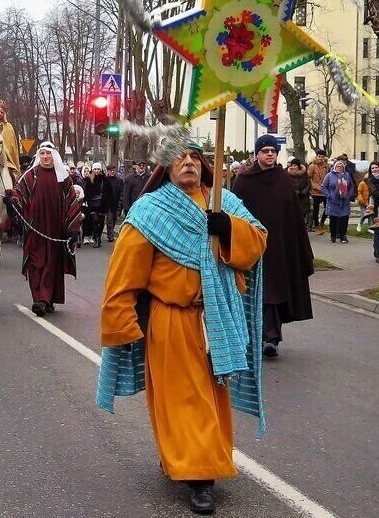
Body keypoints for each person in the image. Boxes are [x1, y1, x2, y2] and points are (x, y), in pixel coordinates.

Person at [97, 139, 267, 516]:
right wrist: (122, 324)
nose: (187, 163)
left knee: (211, 397)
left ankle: (192, 458)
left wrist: (229, 229)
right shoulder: (149, 211)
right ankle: (199, 477)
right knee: (184, 398)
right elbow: (124, 275)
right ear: (165, 167)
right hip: (171, 319)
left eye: (193, 157)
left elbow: (257, 241)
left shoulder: (224, 202)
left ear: (203, 164)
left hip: (218, 316)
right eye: (179, 158)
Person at [233, 134, 314, 358]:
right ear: (257, 154)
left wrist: (298, 246)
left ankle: (272, 338)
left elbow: (293, 216)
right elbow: (236, 214)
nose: (270, 154)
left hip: (279, 246)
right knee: (255, 292)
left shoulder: (283, 179)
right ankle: (256, 336)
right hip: (252, 246)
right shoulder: (244, 181)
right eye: (265, 150)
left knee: (275, 292)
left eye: (273, 151)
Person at [9, 141, 81, 317]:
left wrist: (73, 228)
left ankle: (45, 300)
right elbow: (19, 194)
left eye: (48, 154)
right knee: (35, 263)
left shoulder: (64, 178)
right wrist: (12, 200)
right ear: (38, 156)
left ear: (53, 156)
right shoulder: (31, 176)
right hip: (35, 229)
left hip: (55, 230)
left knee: (50, 265)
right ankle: (39, 299)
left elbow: (71, 202)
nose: (45, 157)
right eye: (42, 154)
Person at [321, 160, 353, 243]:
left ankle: (343, 236)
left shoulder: (347, 175)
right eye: (338, 166)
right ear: (335, 167)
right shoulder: (329, 175)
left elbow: (351, 186)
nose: (340, 168)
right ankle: (333, 235)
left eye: (342, 167)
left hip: (344, 201)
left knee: (344, 218)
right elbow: (324, 187)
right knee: (333, 219)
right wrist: (329, 195)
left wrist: (349, 195)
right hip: (333, 200)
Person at [83, 162, 114, 248]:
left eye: (98, 169)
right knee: (95, 220)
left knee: (100, 222)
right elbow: (87, 192)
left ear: (100, 170)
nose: (96, 171)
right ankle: (97, 239)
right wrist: (86, 201)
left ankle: (98, 237)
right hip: (92, 204)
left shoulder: (105, 180)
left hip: (102, 204)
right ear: (92, 170)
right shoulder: (89, 180)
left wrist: (110, 205)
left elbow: (110, 193)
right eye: (95, 169)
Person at [307, 149, 329, 234]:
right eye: (319, 156)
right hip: (316, 191)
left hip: (325, 190)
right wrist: (314, 186)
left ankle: (322, 223)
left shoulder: (327, 166)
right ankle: (316, 226)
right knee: (316, 210)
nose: (320, 158)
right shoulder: (312, 166)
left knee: (327, 209)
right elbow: (309, 178)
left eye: (322, 156)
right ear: (316, 156)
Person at [286, 158, 311, 226]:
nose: (293, 167)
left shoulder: (304, 173)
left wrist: (304, 191)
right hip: (293, 197)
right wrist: (296, 192)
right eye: (292, 165)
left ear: (298, 166)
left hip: (304, 197)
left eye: (295, 165)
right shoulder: (287, 174)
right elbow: (287, 185)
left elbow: (308, 184)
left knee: (303, 214)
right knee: (294, 214)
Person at [104, 165, 123, 241]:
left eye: (113, 170)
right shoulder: (105, 180)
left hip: (116, 202)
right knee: (109, 219)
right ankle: (110, 235)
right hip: (108, 203)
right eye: (110, 170)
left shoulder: (119, 181)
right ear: (108, 171)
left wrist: (120, 202)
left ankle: (111, 232)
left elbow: (121, 192)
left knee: (114, 219)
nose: (112, 172)